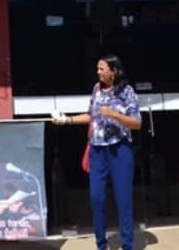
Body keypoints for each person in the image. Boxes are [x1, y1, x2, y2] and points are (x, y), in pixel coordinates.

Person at [53, 54, 141, 250]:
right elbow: (90, 116)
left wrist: (114, 115)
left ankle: (127, 245)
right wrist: (66, 120)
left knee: (123, 199)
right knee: (96, 198)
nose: (98, 72)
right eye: (98, 68)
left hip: (120, 149)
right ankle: (101, 244)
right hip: (97, 149)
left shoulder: (127, 92)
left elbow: (137, 123)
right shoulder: (96, 89)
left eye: (102, 68)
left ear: (114, 71)